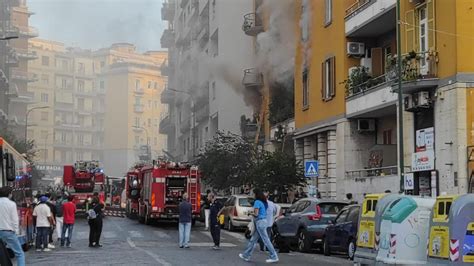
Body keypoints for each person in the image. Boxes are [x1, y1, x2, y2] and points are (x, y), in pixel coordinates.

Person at [239, 189, 279, 263]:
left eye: (252, 193)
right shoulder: (263, 202)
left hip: (260, 222)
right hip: (262, 222)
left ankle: (274, 256)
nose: (251, 195)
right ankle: (246, 255)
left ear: (255, 194)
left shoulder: (257, 202)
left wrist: (250, 213)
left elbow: (256, 214)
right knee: (253, 240)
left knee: (265, 240)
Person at [0, 187, 25, 266]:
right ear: (9, 194)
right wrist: (16, 231)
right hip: (8, 231)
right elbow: (15, 219)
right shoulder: (11, 204)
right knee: (19, 253)